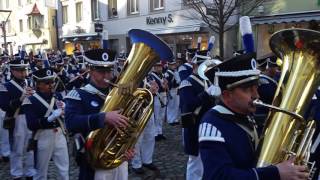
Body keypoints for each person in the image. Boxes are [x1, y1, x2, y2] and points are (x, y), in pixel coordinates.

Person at [199, 52, 309, 180]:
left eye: (256, 88)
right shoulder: (212, 125)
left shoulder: (245, 115)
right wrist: (275, 173)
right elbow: (219, 176)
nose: (256, 95)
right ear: (227, 95)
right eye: (248, 90)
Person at [64, 49, 134, 180]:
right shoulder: (79, 94)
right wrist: (103, 118)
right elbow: (71, 123)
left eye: (109, 71)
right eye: (101, 72)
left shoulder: (119, 94)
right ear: (90, 71)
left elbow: (128, 123)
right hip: (94, 162)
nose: (107, 76)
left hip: (119, 158)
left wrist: (128, 147)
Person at [22, 67, 69, 180]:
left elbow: (64, 115)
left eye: (52, 81)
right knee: (40, 170)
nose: (51, 85)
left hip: (59, 134)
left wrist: (65, 111)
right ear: (38, 84)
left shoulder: (57, 96)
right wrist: (50, 118)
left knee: (64, 168)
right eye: (47, 83)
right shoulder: (30, 100)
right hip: (42, 136)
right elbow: (31, 124)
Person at [179, 50, 215, 180]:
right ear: (195, 66)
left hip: (208, 124)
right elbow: (190, 104)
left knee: (206, 158)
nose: (207, 69)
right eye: (204, 66)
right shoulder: (187, 83)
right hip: (194, 126)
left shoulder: (208, 81)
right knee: (195, 162)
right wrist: (207, 94)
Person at [0, 58, 36, 179]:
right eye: (19, 71)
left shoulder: (29, 83)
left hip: (30, 118)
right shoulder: (6, 86)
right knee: (17, 149)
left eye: (24, 70)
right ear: (12, 71)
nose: (23, 73)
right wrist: (20, 99)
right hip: (17, 119)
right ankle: (17, 173)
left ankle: (30, 172)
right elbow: (4, 106)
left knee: (30, 148)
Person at [255, 53, 280, 134]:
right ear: (269, 67)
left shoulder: (271, 80)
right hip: (262, 119)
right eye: (275, 67)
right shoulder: (263, 82)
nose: (277, 69)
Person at [148, 62, 168, 141]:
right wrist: (163, 85)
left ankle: (160, 132)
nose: (160, 68)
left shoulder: (162, 75)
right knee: (156, 116)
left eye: (160, 66)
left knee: (161, 116)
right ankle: (155, 134)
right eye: (158, 66)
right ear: (155, 67)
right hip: (157, 96)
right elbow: (156, 87)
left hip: (164, 95)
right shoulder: (151, 76)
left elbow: (165, 87)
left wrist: (165, 84)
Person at [165, 60, 181, 125]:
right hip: (171, 90)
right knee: (171, 106)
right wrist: (168, 92)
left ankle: (175, 119)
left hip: (177, 89)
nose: (174, 66)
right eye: (172, 65)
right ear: (169, 65)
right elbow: (167, 83)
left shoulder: (176, 72)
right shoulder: (167, 73)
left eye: (174, 65)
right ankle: (170, 120)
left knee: (176, 105)